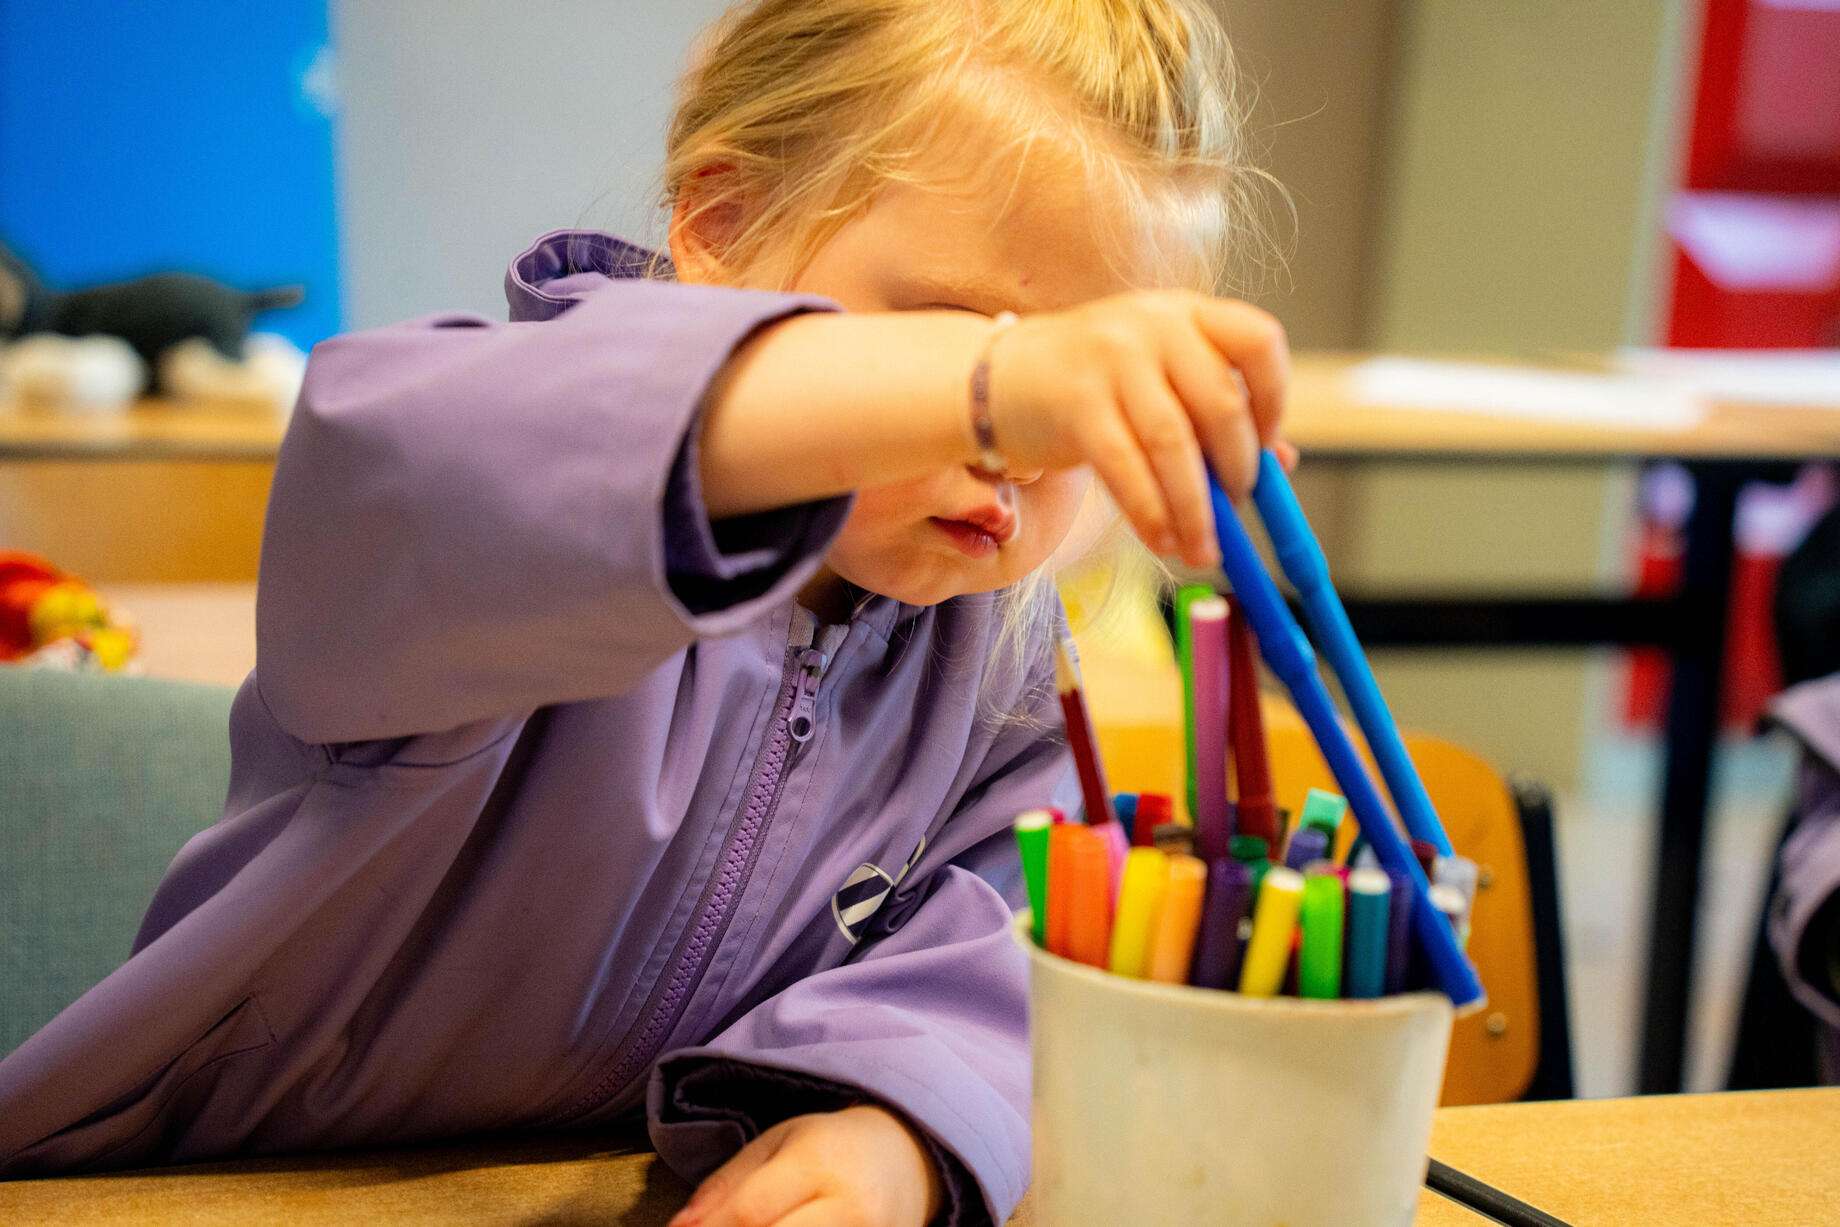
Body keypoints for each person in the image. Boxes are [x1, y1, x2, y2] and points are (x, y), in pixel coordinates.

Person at [0, 2, 1290, 1223]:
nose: (1017, 448)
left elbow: (1004, 960)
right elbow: (415, 462)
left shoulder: (999, 672)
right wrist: (978, 386)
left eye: (1077, 409)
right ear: (720, 226)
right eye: (961, 335)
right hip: (184, 1185)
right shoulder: (502, 464)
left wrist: (895, 1127)